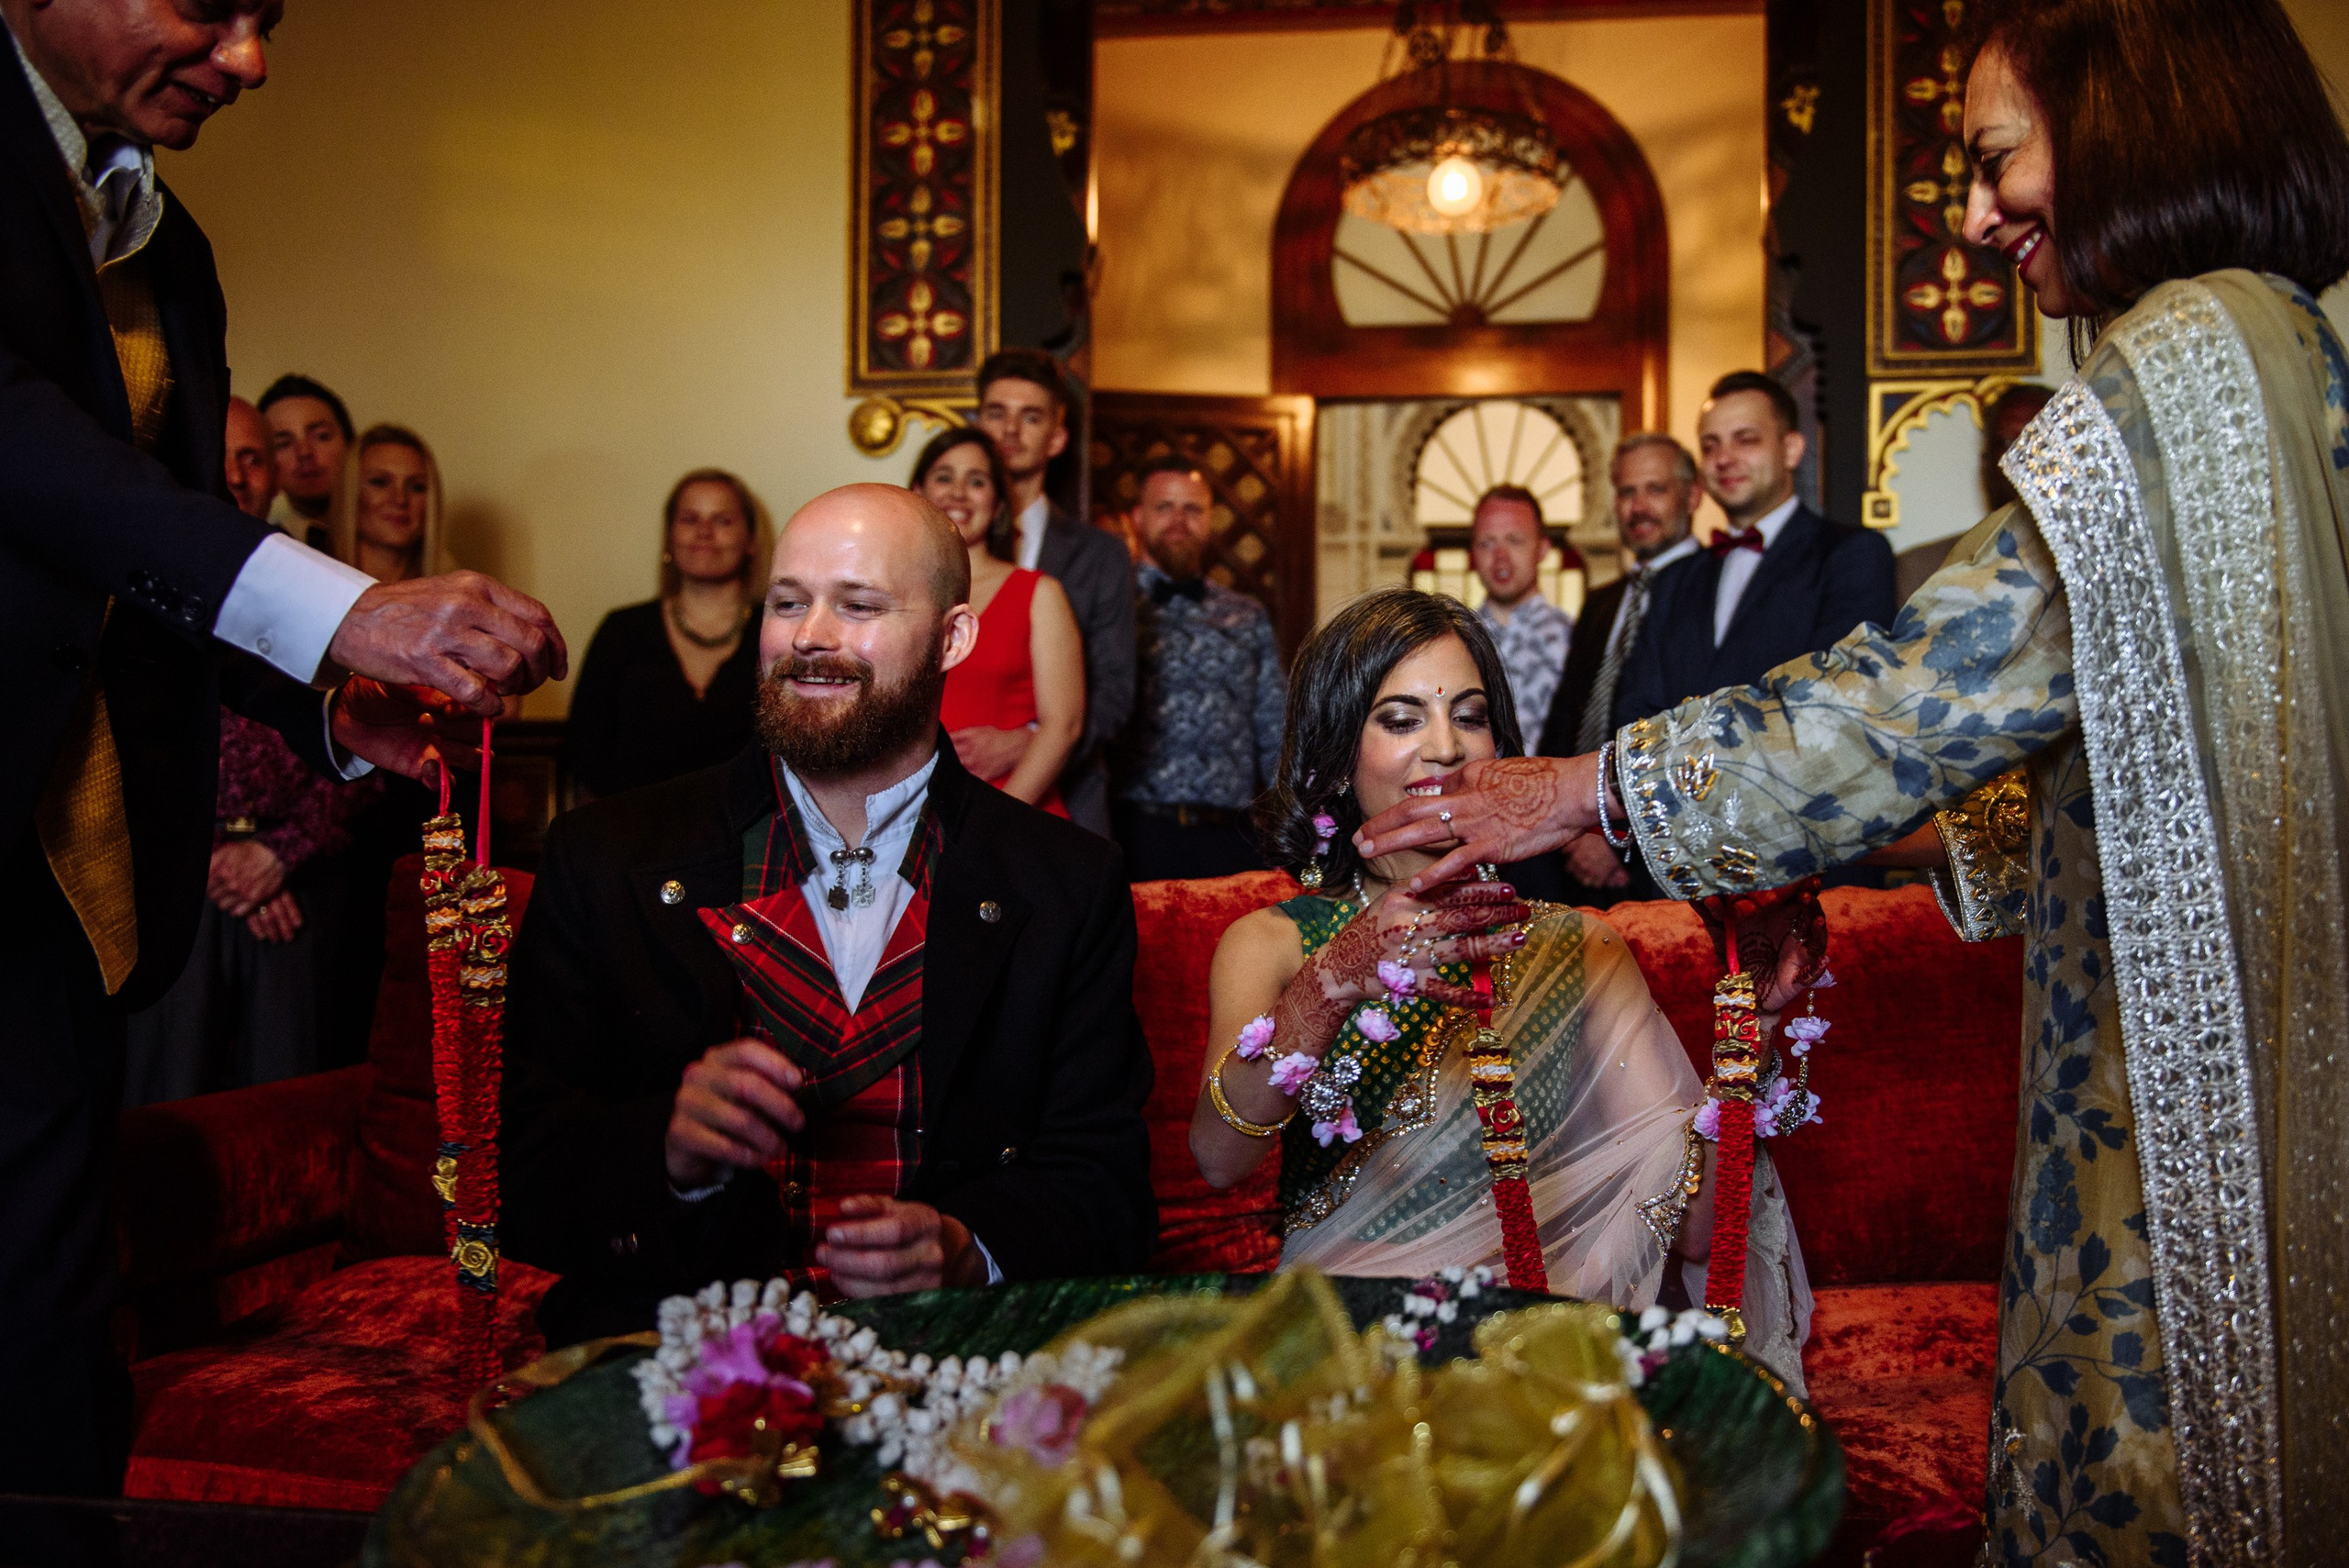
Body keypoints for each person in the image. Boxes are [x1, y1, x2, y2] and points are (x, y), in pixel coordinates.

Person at [1354, 0, 2349, 1557]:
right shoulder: (2282, 345)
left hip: (2183, 1070)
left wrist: (1584, 792)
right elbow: (2114, 736)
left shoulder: (2169, 368)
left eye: (1997, 158)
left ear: (2131, 121)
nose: (1975, 211)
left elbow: (1922, 691)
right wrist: (1839, 856)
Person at [0, 0, 562, 1530]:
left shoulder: (167, 248)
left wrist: (332, 697)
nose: (250, 58)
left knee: (49, 1335)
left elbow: (151, 565)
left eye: (271, 17)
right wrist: (352, 608)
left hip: (63, 887)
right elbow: (26, 450)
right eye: (209, 4)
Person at [503, 484, 1157, 1346]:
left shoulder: (1067, 881)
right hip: (667, 1361)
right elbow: (514, 1171)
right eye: (787, 603)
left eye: (857, 605)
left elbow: (1105, 1189)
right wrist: (665, 1153)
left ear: (952, 638)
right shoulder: (606, 854)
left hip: (951, 1366)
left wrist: (968, 1249)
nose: (809, 635)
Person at [1190, 589, 1811, 1387]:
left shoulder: (1579, 947)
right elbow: (1217, 1156)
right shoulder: (1274, 943)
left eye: (1471, 714)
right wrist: (1337, 978)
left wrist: (1749, 1036)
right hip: (1348, 1362)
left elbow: (1696, 1231)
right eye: (1401, 718)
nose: (1445, 748)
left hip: (1539, 1368)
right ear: (1338, 756)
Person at [124, 399, 379, 1104]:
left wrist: (280, 855)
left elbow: (363, 740)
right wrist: (206, 863)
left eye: (253, 457)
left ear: (274, 475)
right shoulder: (142, 579)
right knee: (160, 1099)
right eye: (222, 456)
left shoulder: (324, 590)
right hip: (179, 880)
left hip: (297, 884)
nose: (236, 475)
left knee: (291, 1099)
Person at [1612, 372, 1897, 734]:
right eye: (1710, 446)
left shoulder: (1851, 555)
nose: (1723, 458)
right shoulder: (1673, 580)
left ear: (1791, 449)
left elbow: (1840, 698)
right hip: (1672, 789)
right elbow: (1635, 711)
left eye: (1745, 440)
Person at [971, 349, 1136, 837]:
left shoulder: (1099, 555)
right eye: (996, 414)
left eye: (1031, 417)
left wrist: (1033, 741)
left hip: (1068, 805)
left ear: (1058, 437)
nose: (1010, 431)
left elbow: (1115, 691)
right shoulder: (935, 545)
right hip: (954, 792)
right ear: (976, 423)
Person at [1537, 434, 1703, 904]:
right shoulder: (1601, 602)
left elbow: (1688, 734)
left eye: (1656, 489)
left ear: (1692, 497)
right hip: (1567, 847)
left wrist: (1616, 836)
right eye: (1627, 492)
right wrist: (1568, 829)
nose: (1638, 506)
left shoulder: (1713, 594)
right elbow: (1566, 724)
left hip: (1658, 857)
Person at [1111, 455, 1286, 881]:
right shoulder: (1110, 608)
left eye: (1192, 509)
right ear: (1137, 517)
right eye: (1164, 507)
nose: (1179, 520)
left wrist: (1295, 828)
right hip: (1131, 831)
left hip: (1231, 839)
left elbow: (1274, 728)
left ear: (1210, 520)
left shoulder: (1246, 615)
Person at [564, 469, 772, 801]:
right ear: (670, 537)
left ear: (750, 541)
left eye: (722, 521)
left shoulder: (779, 631)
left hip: (752, 843)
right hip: (634, 838)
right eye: (690, 519)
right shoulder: (622, 631)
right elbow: (585, 754)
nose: (704, 532)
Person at [912, 428, 1085, 814]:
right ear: (918, 491)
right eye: (944, 477)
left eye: (976, 481)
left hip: (1011, 812)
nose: (958, 492)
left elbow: (1064, 727)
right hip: (908, 819)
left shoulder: (1039, 594)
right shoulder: (889, 593)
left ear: (998, 505)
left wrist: (994, 824)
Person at [1893, 382, 2055, 602]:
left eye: (2037, 442)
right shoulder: (1926, 571)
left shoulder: (2096, 565)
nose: (2021, 457)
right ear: (1986, 461)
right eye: (2007, 443)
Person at [1467, 484, 1573, 741]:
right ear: (1473, 554)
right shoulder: (1457, 638)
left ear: (1542, 549)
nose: (1500, 556)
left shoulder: (1574, 641)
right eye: (1487, 543)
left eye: (1514, 540)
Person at [325, 422, 452, 583]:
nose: (400, 499)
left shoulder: (455, 591)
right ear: (349, 493)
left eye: (417, 487)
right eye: (380, 482)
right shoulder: (311, 581)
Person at [257, 371, 351, 545]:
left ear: (350, 443)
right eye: (283, 444)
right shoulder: (268, 547)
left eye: (321, 436)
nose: (304, 452)